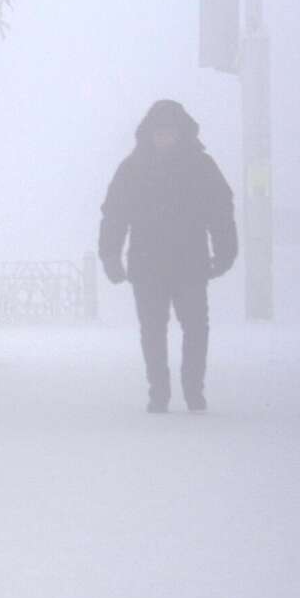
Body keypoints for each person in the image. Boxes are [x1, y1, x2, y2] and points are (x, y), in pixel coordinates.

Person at [98, 99, 238, 414]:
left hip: (190, 262)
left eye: (169, 132)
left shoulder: (202, 168)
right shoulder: (132, 169)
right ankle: (158, 393)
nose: (164, 138)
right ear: (148, 134)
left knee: (196, 328)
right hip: (147, 264)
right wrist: (110, 254)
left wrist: (226, 250)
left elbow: (220, 210)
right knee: (152, 329)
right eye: (158, 132)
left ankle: (193, 392)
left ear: (180, 133)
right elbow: (115, 214)